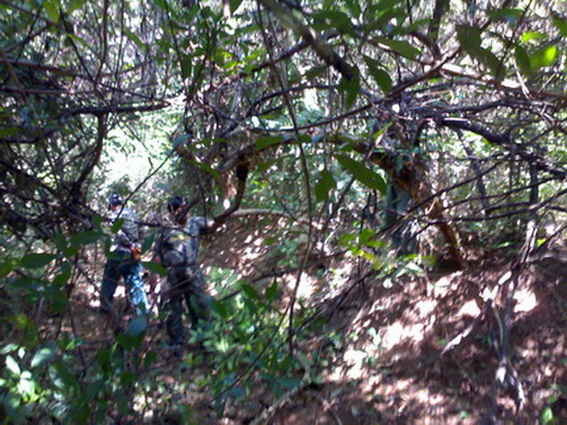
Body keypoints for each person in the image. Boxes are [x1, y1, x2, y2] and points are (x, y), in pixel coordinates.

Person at [153, 196, 216, 349]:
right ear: (172, 211)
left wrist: (223, 216)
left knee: (199, 304)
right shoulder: (165, 228)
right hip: (171, 273)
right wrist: (154, 277)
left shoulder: (196, 222)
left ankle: (204, 339)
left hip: (192, 271)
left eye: (185, 208)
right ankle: (177, 341)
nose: (183, 211)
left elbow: (214, 224)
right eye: (178, 209)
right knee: (172, 308)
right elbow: (157, 254)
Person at [100, 194, 150, 317]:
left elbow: (117, 233)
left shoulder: (114, 216)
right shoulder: (134, 215)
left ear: (111, 205)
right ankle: (143, 311)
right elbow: (142, 232)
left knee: (109, 280)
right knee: (135, 282)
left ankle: (105, 308)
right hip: (133, 253)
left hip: (119, 252)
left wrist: (129, 245)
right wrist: (136, 246)